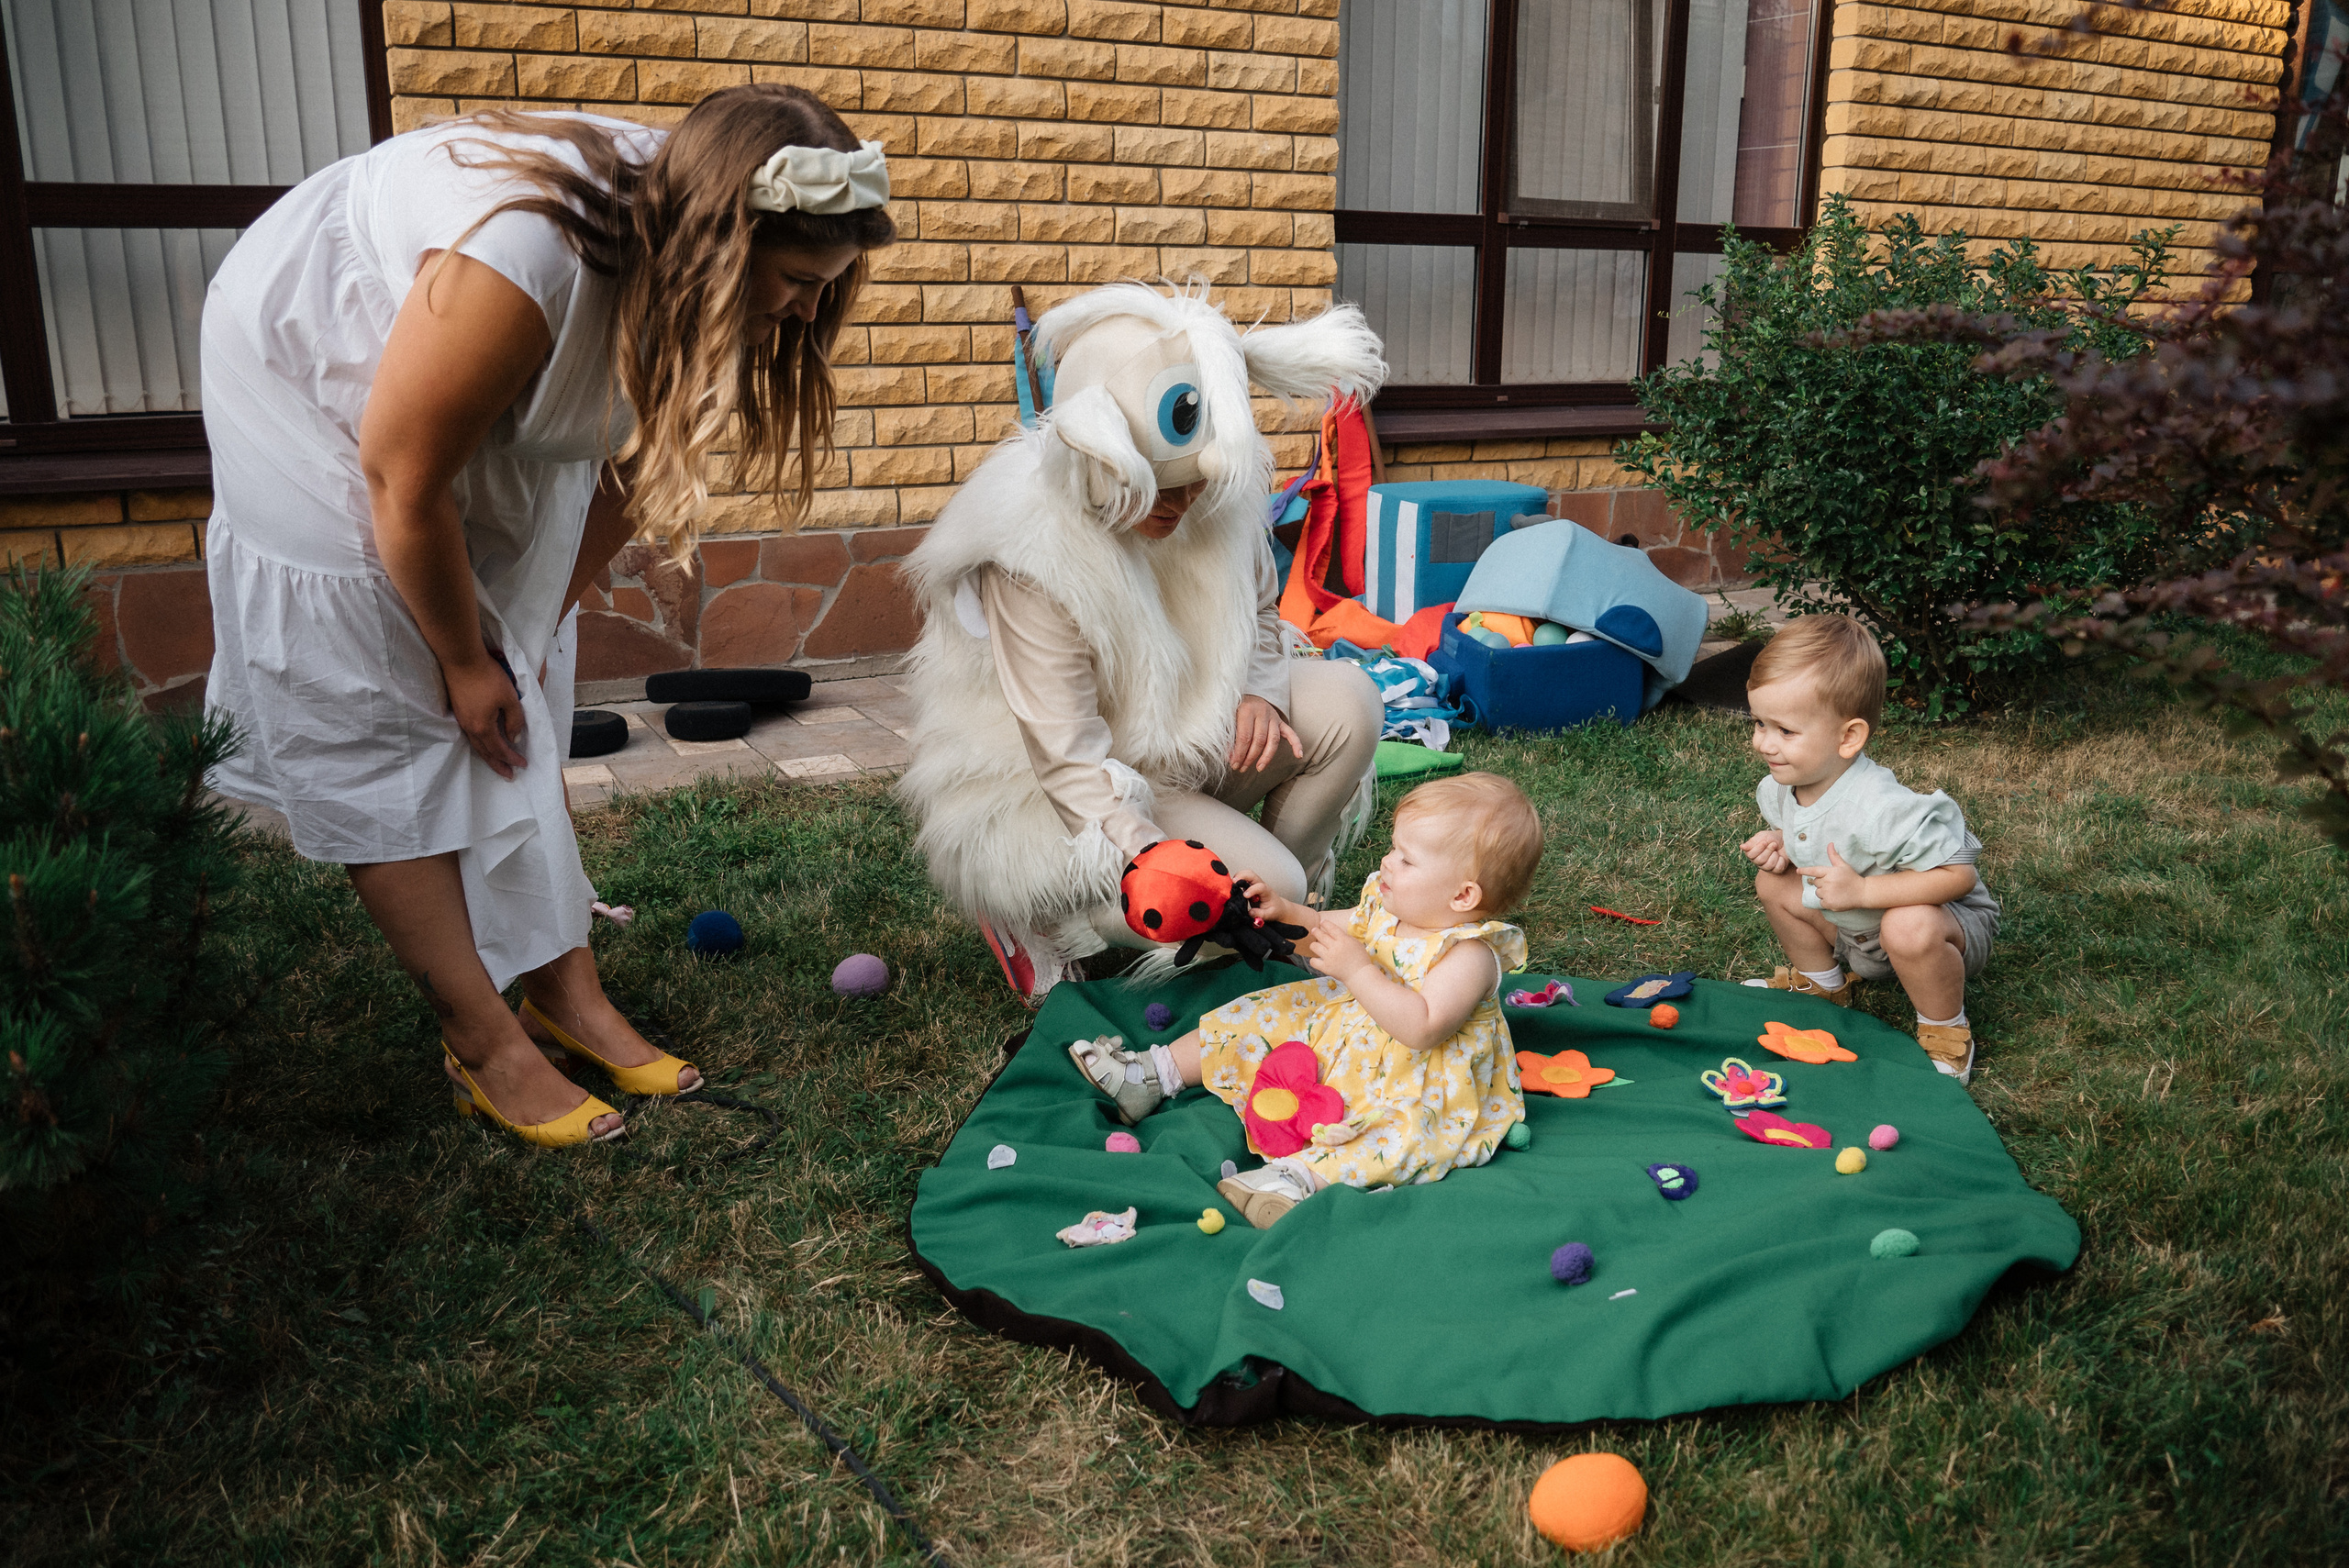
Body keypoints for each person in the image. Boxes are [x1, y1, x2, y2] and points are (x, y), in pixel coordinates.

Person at [200, 85, 894, 1144]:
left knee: (515, 676)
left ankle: (564, 991)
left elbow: (633, 452)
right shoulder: (521, 263)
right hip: (314, 366)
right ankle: (481, 1039)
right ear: (724, 247)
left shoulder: (705, 268)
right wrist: (457, 658)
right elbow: (401, 479)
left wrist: (521, 641)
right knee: (384, 707)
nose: (806, 312)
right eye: (799, 283)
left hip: (459, 388)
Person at [898, 283, 1389, 1003]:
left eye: (1193, 486)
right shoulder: (1028, 550)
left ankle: (1285, 913)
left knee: (1349, 702)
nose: (1184, 505)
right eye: (1161, 488)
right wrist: (1148, 852)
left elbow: (1257, 605)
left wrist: (1260, 691)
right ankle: (1047, 917)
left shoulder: (1211, 482)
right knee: (1260, 883)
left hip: (1173, 741)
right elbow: (1067, 757)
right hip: (1059, 792)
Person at [1068, 772, 1543, 1229]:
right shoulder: (1387, 907)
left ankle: (1297, 1179)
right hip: (1353, 1032)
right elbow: (1325, 933)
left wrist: (1357, 969)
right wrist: (1285, 912)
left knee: (1406, 1133)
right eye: (1394, 848)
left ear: (1462, 895)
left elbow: (1422, 1028)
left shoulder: (1470, 954)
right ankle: (1153, 1074)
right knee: (1262, 1015)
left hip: (1417, 1076)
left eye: (1407, 859)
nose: (1387, 863)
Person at [1736, 615, 2001, 1084]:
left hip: (1942, 929)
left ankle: (1946, 1030)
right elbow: (1814, 837)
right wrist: (1780, 843)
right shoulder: (1784, 786)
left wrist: (1860, 891)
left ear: (1848, 737)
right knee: (1772, 881)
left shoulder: (1882, 807)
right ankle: (1821, 984)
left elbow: (1958, 877)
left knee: (1908, 922)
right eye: (1759, 723)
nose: (1763, 743)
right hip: (1858, 933)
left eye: (1785, 730)